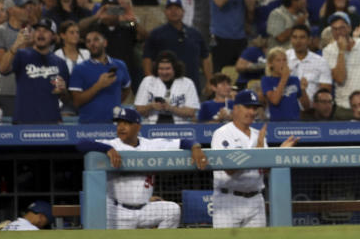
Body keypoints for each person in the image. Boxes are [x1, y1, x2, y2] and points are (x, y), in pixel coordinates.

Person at [73, 105, 207, 228]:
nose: (121, 127)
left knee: (173, 210)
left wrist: (196, 147)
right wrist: (107, 148)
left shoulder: (151, 145)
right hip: (117, 212)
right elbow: (81, 144)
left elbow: (185, 141)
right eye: (119, 123)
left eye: (127, 123)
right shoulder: (113, 144)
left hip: (145, 209)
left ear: (138, 127)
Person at [210, 90, 298, 228]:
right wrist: (258, 150)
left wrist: (280, 152)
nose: (252, 112)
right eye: (247, 107)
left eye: (254, 108)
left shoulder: (259, 135)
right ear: (236, 108)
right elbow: (230, 170)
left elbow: (265, 170)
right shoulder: (222, 134)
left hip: (255, 201)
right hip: (228, 201)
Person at [0, 18, 68, 124]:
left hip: (51, 122)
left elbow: (66, 98)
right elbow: (2, 69)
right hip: (24, 121)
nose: (41, 34)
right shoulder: (21, 55)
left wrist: (63, 90)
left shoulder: (60, 62)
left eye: (46, 31)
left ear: (54, 36)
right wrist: (15, 45)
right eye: (38, 30)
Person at [142, 0, 212, 92]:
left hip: (192, 84)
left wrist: (209, 80)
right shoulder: (156, 34)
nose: (173, 11)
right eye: (170, 9)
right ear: (165, 12)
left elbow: (205, 57)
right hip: (164, 86)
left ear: (183, 11)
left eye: (177, 8)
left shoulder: (195, 33)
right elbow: (147, 58)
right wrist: (150, 81)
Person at [322, 13, 360, 114]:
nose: (338, 32)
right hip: (344, 107)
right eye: (335, 29)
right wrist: (341, 52)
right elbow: (340, 78)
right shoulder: (328, 51)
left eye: (342, 28)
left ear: (349, 28)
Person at [69, 27, 132, 123]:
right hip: (89, 126)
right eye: (88, 41)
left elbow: (127, 88)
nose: (92, 44)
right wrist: (99, 86)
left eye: (96, 40)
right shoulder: (79, 69)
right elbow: (76, 101)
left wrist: (114, 103)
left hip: (115, 124)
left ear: (105, 43)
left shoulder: (120, 65)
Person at [133, 51, 200, 124]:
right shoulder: (147, 81)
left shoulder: (187, 83)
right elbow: (138, 109)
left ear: (175, 68)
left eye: (168, 69)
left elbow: (191, 112)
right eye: (161, 69)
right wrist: (151, 106)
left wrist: (170, 108)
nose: (164, 72)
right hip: (151, 127)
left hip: (180, 129)